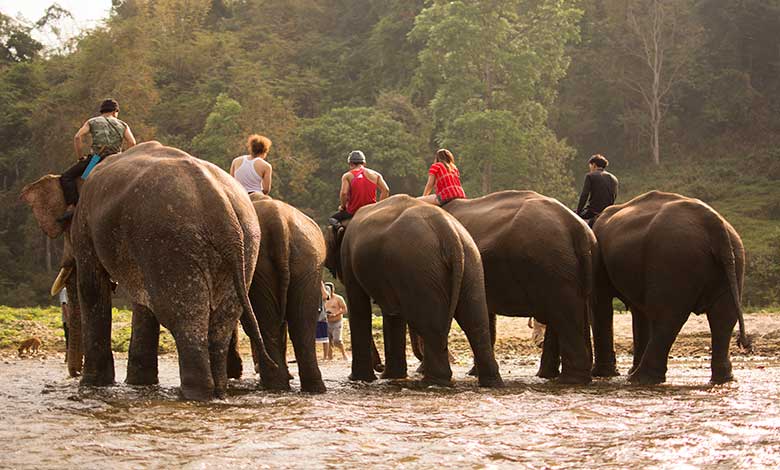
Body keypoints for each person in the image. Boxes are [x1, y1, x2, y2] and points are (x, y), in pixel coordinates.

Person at [59, 98, 137, 222]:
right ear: (115, 111)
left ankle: (73, 207)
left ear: (102, 111)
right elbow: (132, 142)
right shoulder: (123, 124)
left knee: (67, 177)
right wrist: (124, 158)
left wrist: (80, 157)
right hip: (117, 159)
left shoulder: (92, 121)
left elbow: (77, 137)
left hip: (95, 160)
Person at [327, 150, 390, 226]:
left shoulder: (347, 176)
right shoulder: (376, 175)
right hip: (370, 210)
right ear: (364, 163)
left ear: (350, 163)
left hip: (353, 212)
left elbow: (344, 193)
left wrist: (342, 207)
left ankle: (339, 228)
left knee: (332, 218)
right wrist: (377, 208)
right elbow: (386, 190)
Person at [576, 154, 619, 227]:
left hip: (593, 212)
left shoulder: (590, 176)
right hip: (608, 212)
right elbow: (614, 196)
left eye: (590, 165)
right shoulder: (614, 178)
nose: (590, 168)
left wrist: (578, 212)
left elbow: (584, 195)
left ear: (594, 165)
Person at [324, 282, 349, 360]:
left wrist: (335, 314)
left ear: (332, 290)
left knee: (337, 340)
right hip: (326, 321)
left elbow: (345, 310)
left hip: (336, 322)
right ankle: (330, 357)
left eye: (328, 289)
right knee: (327, 340)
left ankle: (344, 354)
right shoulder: (323, 299)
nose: (326, 290)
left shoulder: (338, 298)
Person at [316, 282, 331, 360]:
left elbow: (325, 296)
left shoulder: (326, 287)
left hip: (321, 315)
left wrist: (321, 284)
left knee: (324, 337)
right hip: (310, 315)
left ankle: (325, 357)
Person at [59, 287, 70, 363]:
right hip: (69, 321)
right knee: (69, 339)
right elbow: (64, 305)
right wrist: (68, 319)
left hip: (79, 320)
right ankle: (68, 358)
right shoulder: (65, 290)